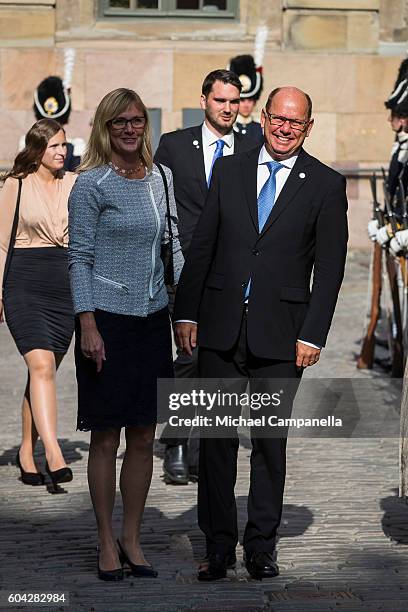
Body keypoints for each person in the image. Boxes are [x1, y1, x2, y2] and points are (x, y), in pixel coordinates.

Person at [173, 86, 348, 580]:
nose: (285, 127)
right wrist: (186, 313)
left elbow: (330, 270)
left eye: (296, 122)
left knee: (269, 444)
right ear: (265, 117)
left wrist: (313, 334)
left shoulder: (325, 185)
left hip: (282, 336)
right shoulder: (229, 170)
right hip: (220, 328)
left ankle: (261, 547)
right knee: (216, 442)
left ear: (307, 127)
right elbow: (202, 246)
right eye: (278, 118)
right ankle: (219, 546)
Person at [68, 88, 183, 582]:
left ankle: (132, 539)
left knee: (142, 436)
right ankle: (104, 541)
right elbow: (79, 259)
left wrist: (190, 307)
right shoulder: (91, 185)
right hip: (107, 321)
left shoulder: (162, 177)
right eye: (121, 123)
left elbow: (172, 242)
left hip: (153, 319)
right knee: (106, 436)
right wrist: (87, 324)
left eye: (137, 121)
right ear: (105, 128)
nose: (131, 129)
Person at [154, 69, 257, 485]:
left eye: (234, 102)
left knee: (220, 359)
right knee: (189, 356)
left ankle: (202, 447)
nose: (228, 109)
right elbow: (158, 204)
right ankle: (177, 441)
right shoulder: (175, 146)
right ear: (204, 101)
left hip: (234, 271)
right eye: (221, 101)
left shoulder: (254, 145)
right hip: (185, 267)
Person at [0, 118, 76, 488]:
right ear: (37, 149)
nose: (62, 152)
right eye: (55, 147)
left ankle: (27, 453)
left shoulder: (76, 183)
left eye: (64, 145)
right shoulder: (15, 184)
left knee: (42, 373)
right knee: (41, 364)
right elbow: (1, 243)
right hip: (24, 283)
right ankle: (53, 451)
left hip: (64, 288)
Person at [229, 54, 264, 144]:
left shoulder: (261, 129)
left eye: (250, 100)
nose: (246, 105)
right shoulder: (227, 126)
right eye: (242, 100)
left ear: (255, 102)